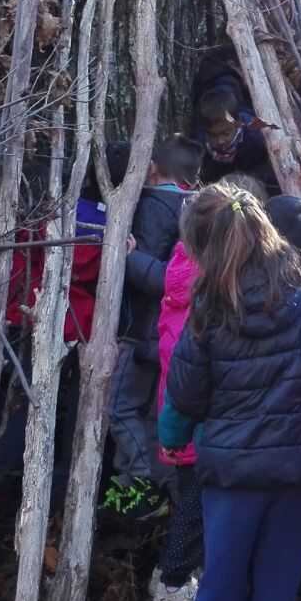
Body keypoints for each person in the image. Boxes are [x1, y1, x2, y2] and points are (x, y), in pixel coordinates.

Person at [158, 183, 301, 601]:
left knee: (221, 585)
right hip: (296, 474)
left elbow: (185, 393)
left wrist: (172, 439)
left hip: (232, 477)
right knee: (278, 587)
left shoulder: (208, 312)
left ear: (204, 249)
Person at [105, 134, 204, 518]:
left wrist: (129, 258)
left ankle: (141, 481)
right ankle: (163, 484)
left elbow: (163, 277)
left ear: (151, 169)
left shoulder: (152, 206)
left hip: (140, 329)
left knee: (118, 407)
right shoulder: (196, 212)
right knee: (149, 412)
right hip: (167, 333)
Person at [192, 44, 277, 192]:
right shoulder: (201, 142)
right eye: (213, 136)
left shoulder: (254, 137)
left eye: (225, 133)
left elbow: (266, 167)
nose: (220, 141)